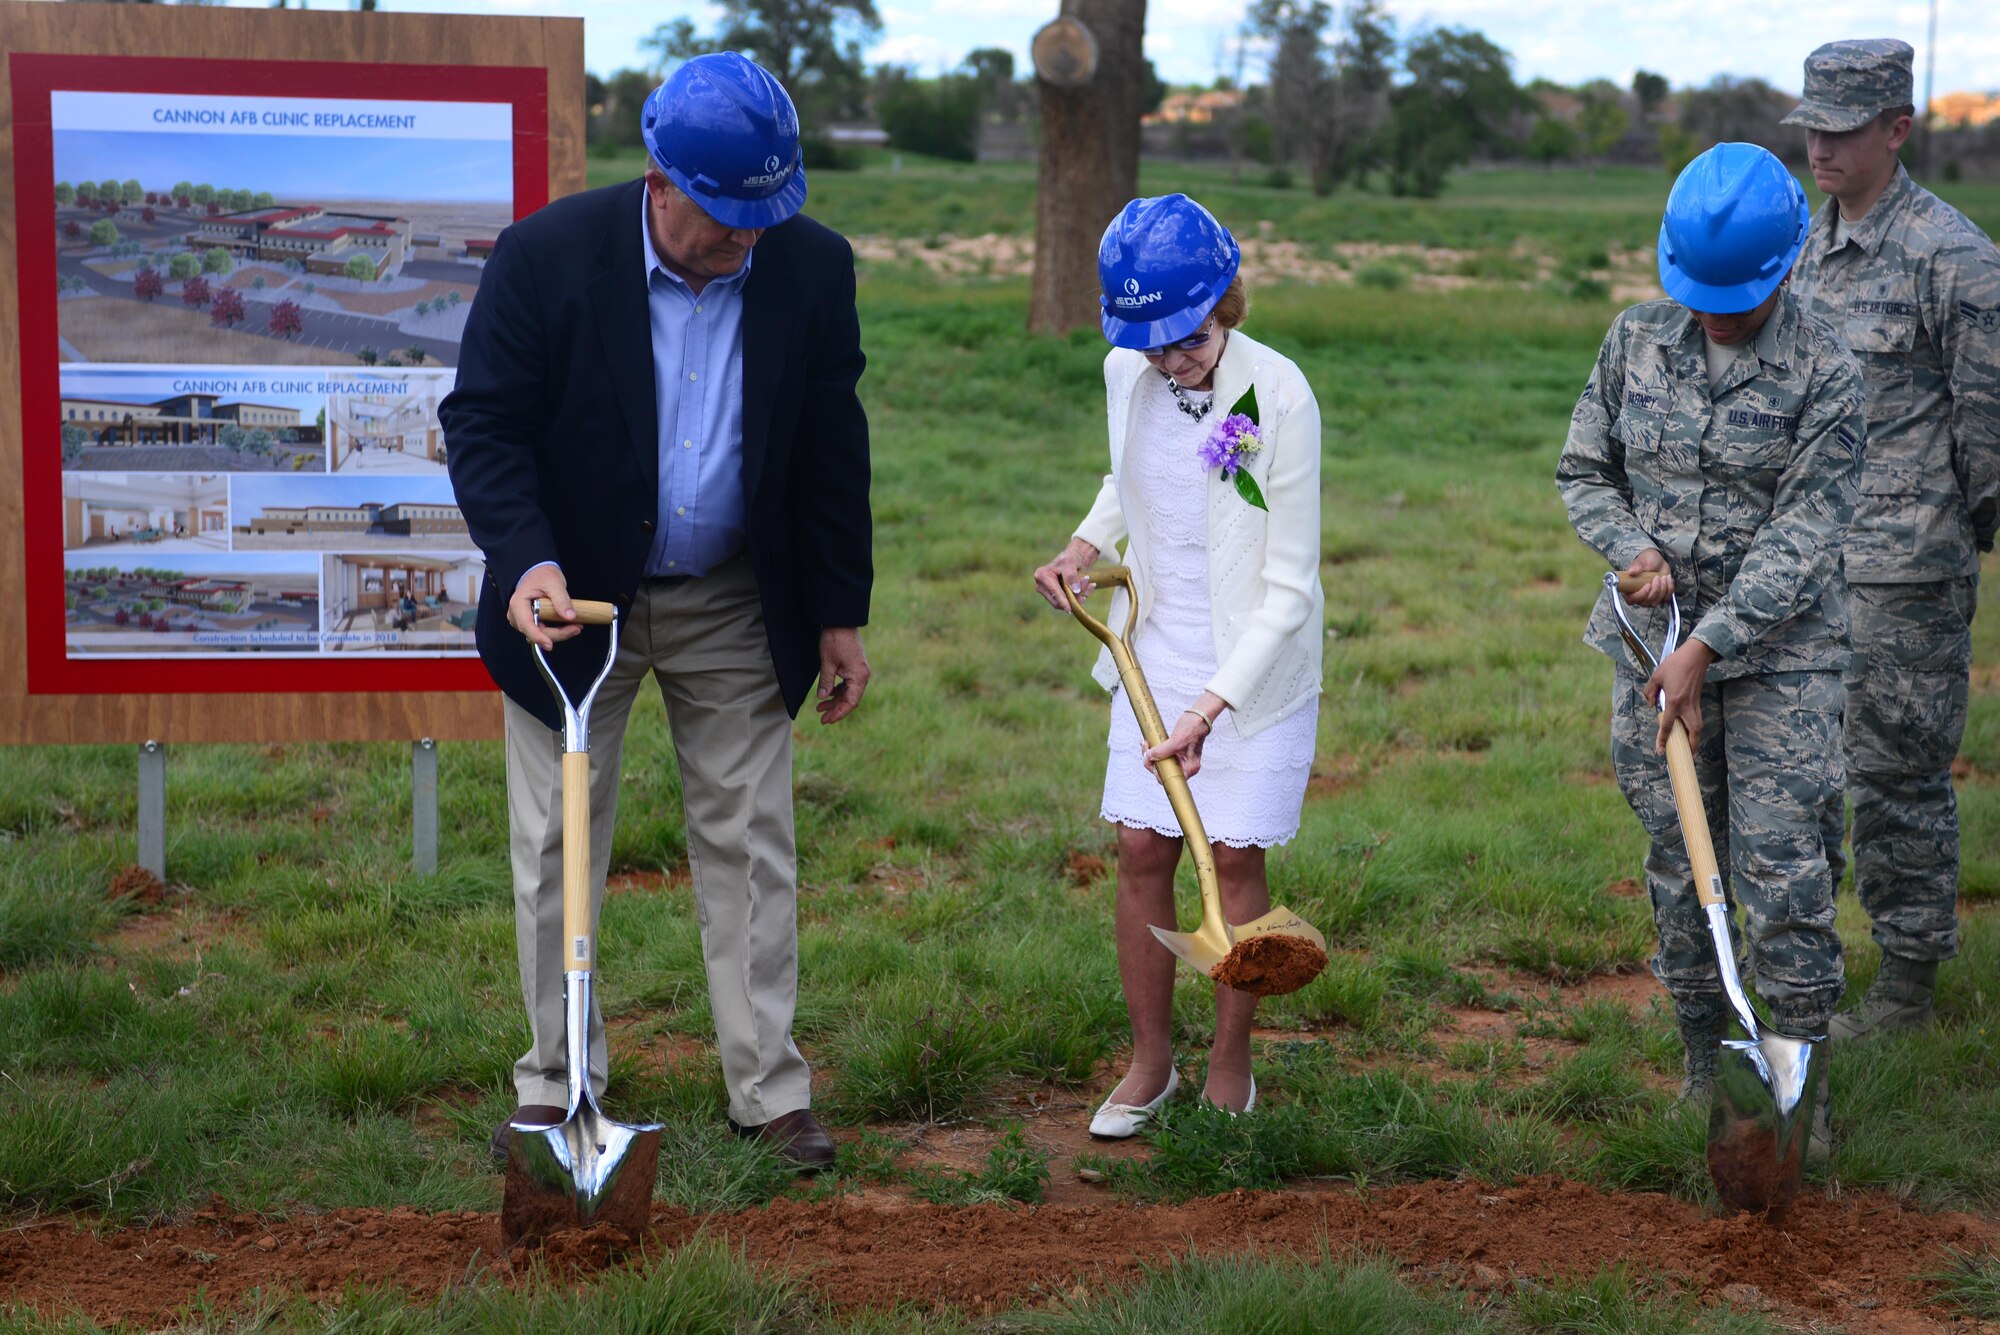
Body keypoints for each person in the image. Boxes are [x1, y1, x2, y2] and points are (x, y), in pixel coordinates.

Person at [440, 51, 872, 1172]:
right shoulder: (547, 257)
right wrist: (523, 560)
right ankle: (558, 1082)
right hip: (569, 601)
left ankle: (768, 1091)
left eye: (763, 217)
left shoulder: (811, 269)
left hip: (735, 593)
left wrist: (838, 611)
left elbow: (831, 446)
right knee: (554, 837)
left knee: (751, 840)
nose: (745, 240)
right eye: (725, 217)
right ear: (659, 180)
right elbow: (482, 422)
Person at [1557, 144, 1864, 1149]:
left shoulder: (1826, 370)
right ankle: (1705, 1061)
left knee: (1780, 874)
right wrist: (1628, 546)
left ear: (1784, 268)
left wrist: (1712, 642)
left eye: (1738, 294)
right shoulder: (1633, 340)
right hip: (1650, 657)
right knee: (1678, 862)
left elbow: (1805, 533)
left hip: (1778, 662)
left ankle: (1797, 1087)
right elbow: (1581, 469)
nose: (1715, 312)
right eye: (1700, 292)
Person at [1033, 194, 1324, 1136]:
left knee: (1233, 857)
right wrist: (1084, 546)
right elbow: (1128, 476)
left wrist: (1210, 709)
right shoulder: (1129, 372)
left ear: (1226, 299)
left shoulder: (1278, 393)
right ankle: (1150, 1059)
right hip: (1153, 648)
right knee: (1141, 847)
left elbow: (1289, 587)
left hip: (1252, 661)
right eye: (1153, 344)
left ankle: (1230, 1060)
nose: (1171, 359)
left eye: (1187, 338)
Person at [1780, 39, 2000, 1042]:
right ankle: (1800, 958)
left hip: (1903, 572)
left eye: (1839, 129)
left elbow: (1986, 426)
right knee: (1799, 770)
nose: (1818, 148)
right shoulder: (1800, 246)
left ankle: (1908, 980)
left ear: (1895, 128)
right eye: (1810, 128)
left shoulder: (1952, 259)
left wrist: (1955, 546)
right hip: (1804, 568)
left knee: (1895, 779)